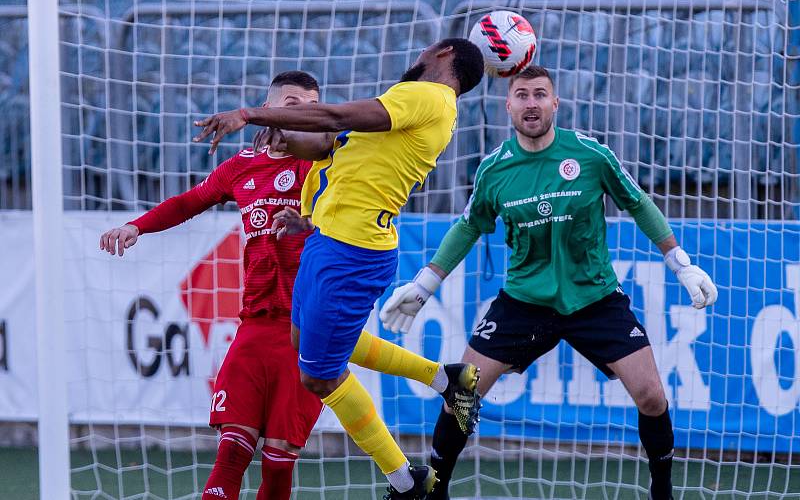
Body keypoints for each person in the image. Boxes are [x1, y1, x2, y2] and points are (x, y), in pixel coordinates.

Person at [379, 65, 718, 500]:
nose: (531, 103)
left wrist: (680, 263)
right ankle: (436, 487)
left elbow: (638, 203)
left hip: (594, 298)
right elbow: (467, 227)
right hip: (523, 302)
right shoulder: (494, 170)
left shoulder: (591, 155)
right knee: (461, 393)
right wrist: (425, 284)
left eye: (540, 94)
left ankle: (663, 490)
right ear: (509, 107)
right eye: (522, 95)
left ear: (555, 103)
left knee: (652, 396)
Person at [193, 38, 486, 499]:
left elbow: (332, 119)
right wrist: (306, 205)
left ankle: (406, 481)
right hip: (328, 240)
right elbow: (336, 146)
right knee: (306, 343)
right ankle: (444, 378)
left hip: (352, 254)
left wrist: (251, 115)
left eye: (427, 49)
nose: (418, 55)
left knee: (318, 375)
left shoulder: (426, 96)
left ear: (445, 54)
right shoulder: (412, 107)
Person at [100, 71, 325, 500]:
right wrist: (137, 226)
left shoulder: (326, 163)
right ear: (269, 107)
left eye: (314, 105)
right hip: (255, 326)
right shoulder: (240, 167)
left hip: (308, 330)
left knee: (278, 465)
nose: (309, 113)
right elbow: (189, 201)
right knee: (231, 452)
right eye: (295, 104)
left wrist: (309, 227)